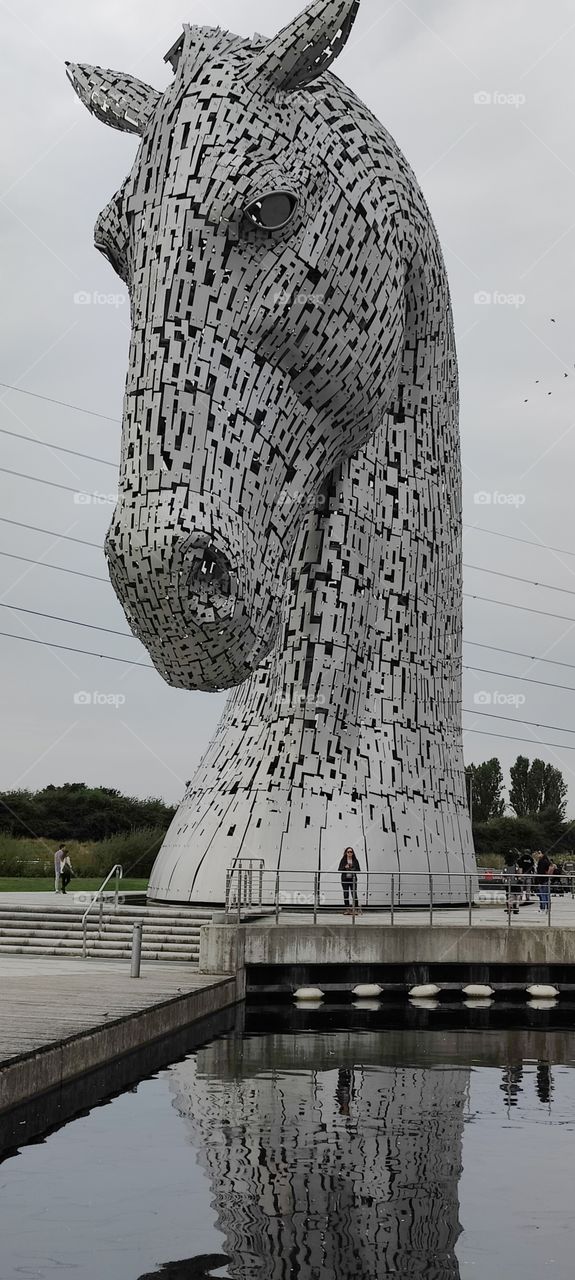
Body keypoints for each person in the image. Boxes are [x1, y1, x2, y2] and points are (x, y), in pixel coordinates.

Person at [339, 847, 361, 915]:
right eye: (348, 852)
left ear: (353, 853)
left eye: (351, 852)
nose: (349, 853)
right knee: (346, 894)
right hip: (345, 879)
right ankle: (347, 909)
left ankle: (355, 909)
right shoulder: (343, 860)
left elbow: (358, 869)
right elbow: (339, 869)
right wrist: (345, 867)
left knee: (354, 894)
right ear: (346, 853)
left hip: (353, 879)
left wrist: (352, 867)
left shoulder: (355, 860)